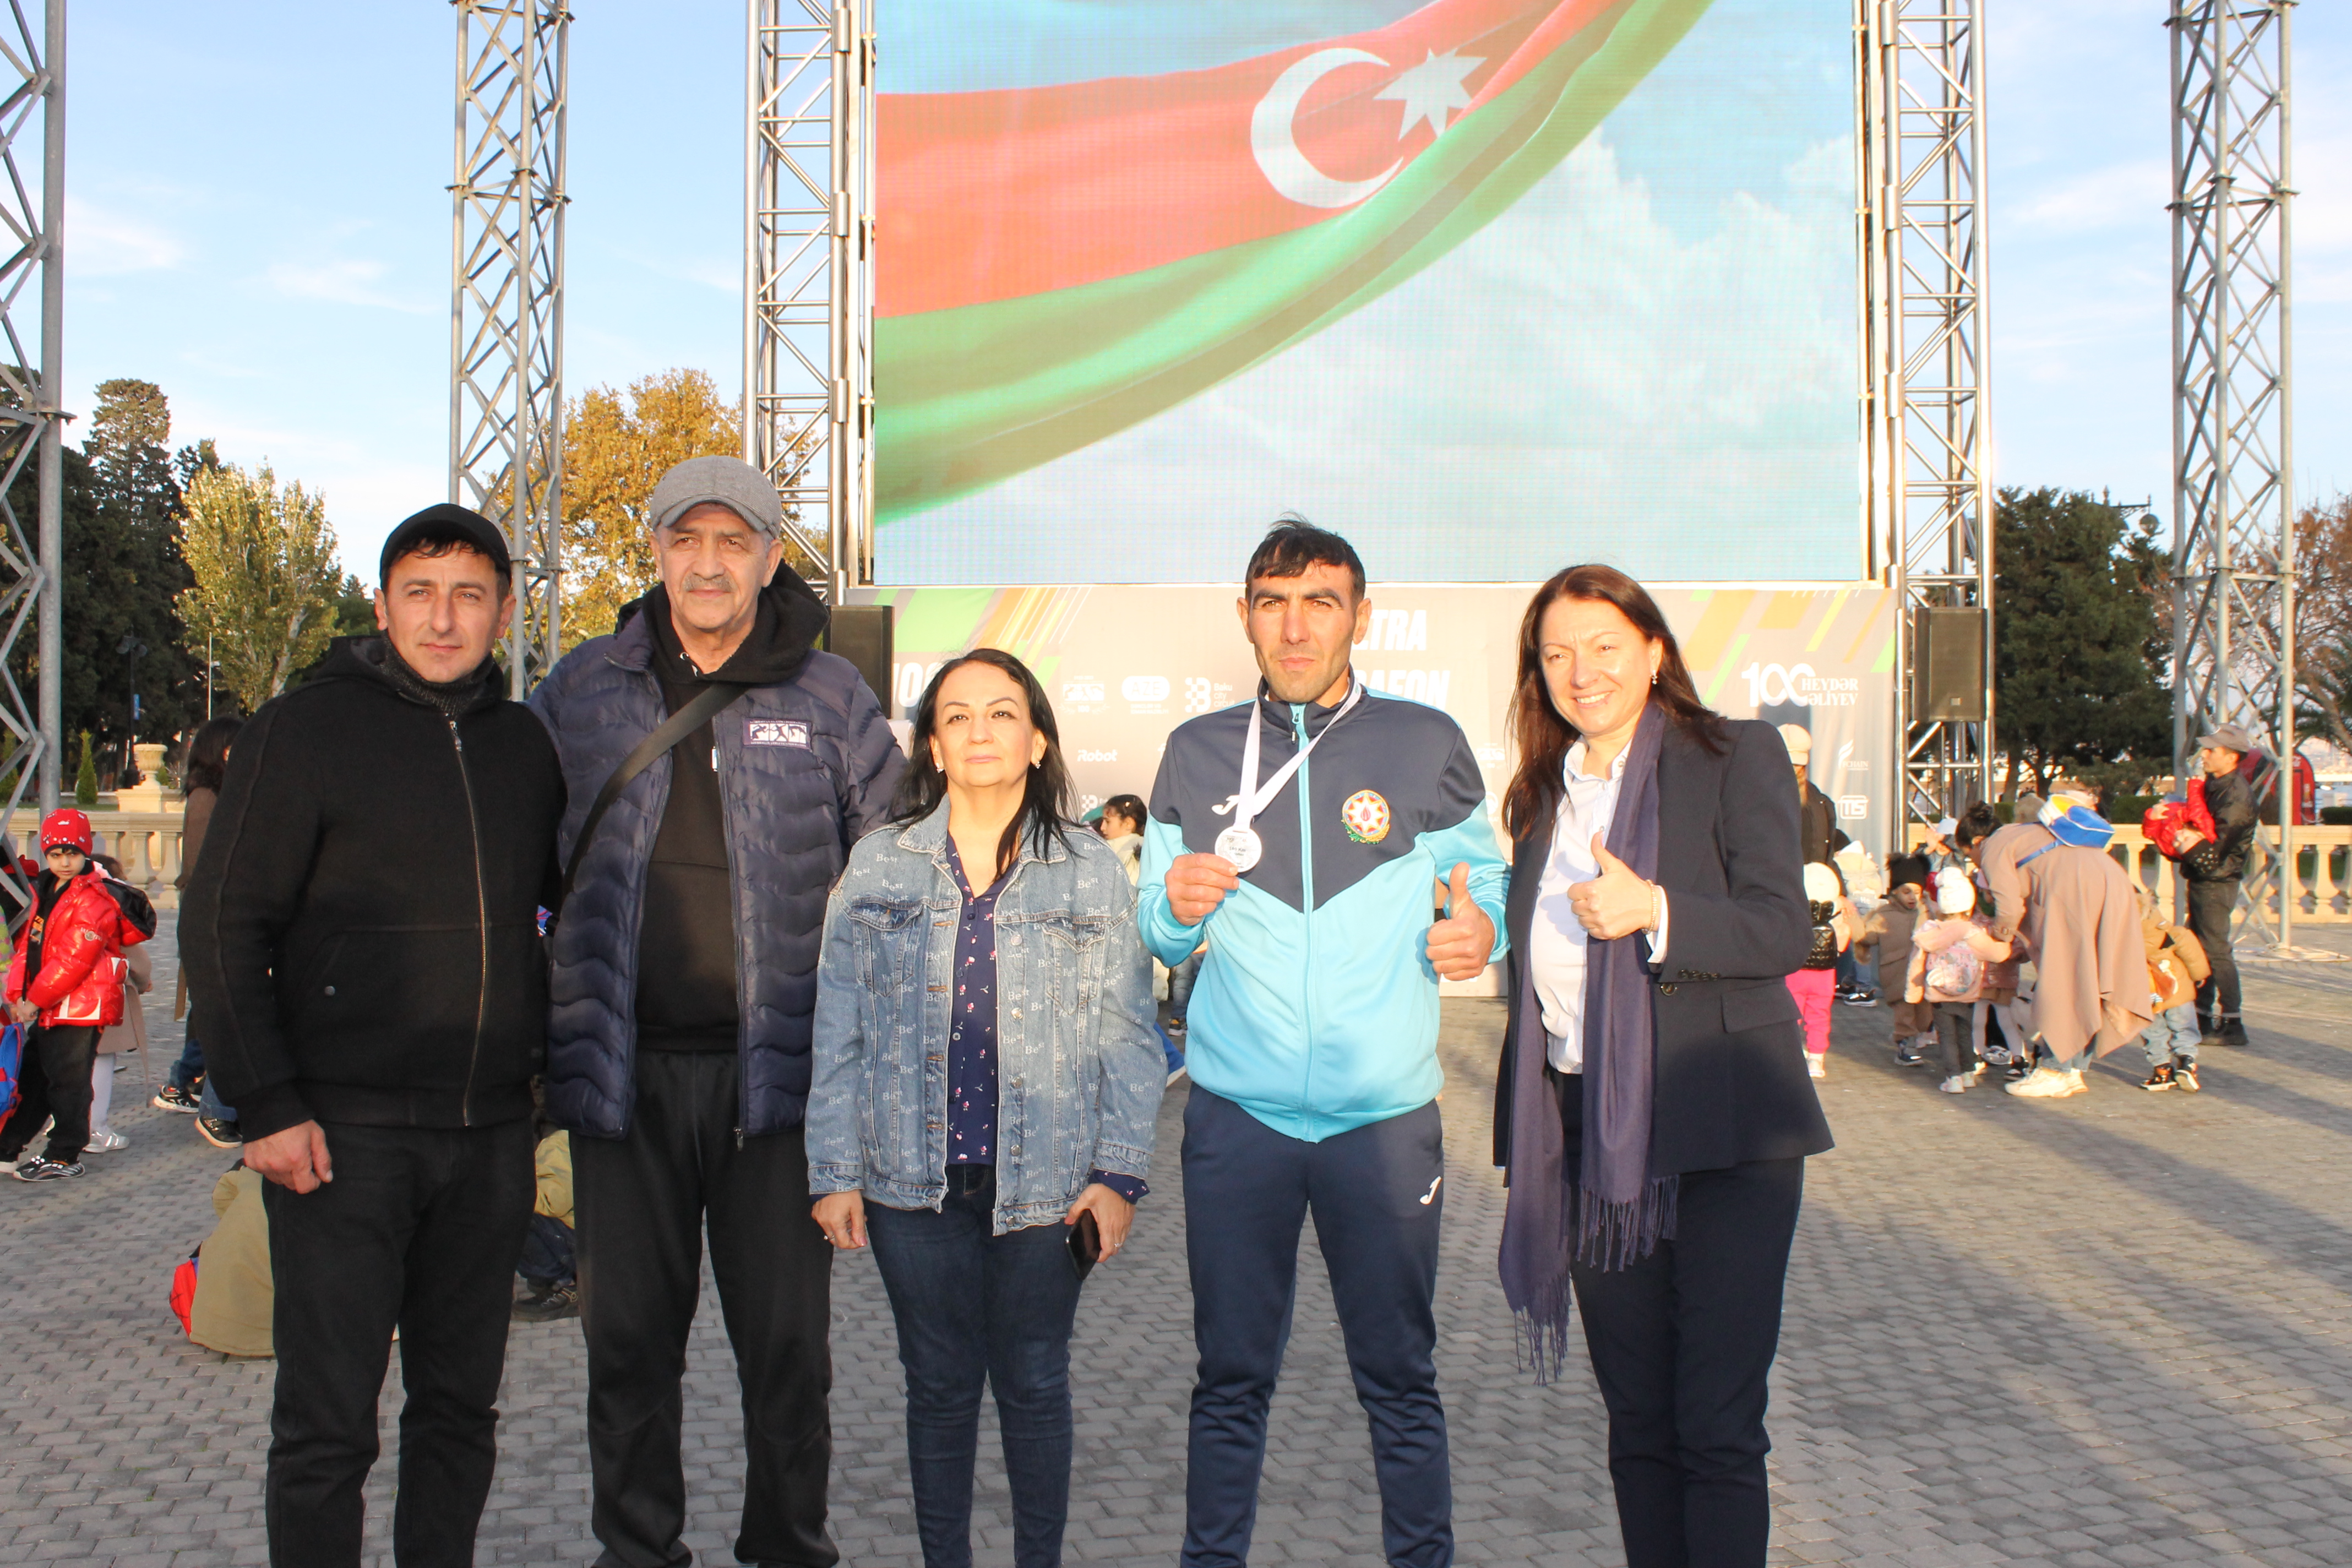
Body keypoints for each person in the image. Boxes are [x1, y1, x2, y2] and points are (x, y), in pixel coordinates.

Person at [531, 454, 902, 1568]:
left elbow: (896, 871)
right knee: (627, 1348)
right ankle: (637, 1549)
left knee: (788, 1353)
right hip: (619, 1079)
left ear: (770, 556)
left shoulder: (832, 694)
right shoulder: (582, 688)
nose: (707, 563)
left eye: (732, 541)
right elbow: (510, 849)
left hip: (778, 1086)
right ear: (653, 550)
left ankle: (787, 1544)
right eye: (685, 539)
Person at [180, 503, 566, 1567]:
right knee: (327, 1423)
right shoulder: (302, 731)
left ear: (503, 611)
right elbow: (222, 922)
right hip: (340, 1139)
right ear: (383, 603)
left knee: (459, 1412)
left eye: (469, 595)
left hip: (488, 1136)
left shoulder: (523, 745)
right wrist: (267, 1102)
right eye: (420, 593)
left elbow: (554, 912)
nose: (444, 619)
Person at [1138, 520, 1506, 1568]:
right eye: (1273, 603)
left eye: (1320, 602)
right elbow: (1157, 927)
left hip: (1382, 1124)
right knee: (1230, 1378)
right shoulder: (1195, 750)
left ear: (1360, 616)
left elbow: (1482, 882)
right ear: (1245, 616)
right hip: (1237, 1120)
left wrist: (1482, 927)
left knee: (1400, 1378)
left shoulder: (1424, 740)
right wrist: (1172, 908)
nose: (1295, 627)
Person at [1492, 565, 1830, 1568]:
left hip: (1723, 1128)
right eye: (1556, 653)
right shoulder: (1542, 795)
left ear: (1653, 651)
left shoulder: (1730, 754)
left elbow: (1782, 927)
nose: (1581, 671)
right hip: (1592, 1136)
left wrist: (1656, 912)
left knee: (1715, 1423)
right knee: (1637, 1420)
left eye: (1604, 645)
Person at [809, 650, 1161, 1568]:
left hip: (1050, 1188)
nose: (979, 731)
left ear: (1038, 739)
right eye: (956, 715)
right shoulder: (879, 862)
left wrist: (1118, 1175)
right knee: (937, 1389)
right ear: (931, 743)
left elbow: (1130, 1033)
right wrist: (833, 1171)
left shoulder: (1087, 868)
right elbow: (839, 1026)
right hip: (908, 1186)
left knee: (1036, 1384)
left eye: (1002, 713)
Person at [1961, 797, 2153, 1100]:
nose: (1974, 862)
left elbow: (2008, 907)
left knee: (2063, 981)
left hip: (2074, 891)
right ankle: (2073, 1069)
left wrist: (2000, 938)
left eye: (1968, 854)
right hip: (2111, 881)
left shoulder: (1995, 845)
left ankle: (2054, 1070)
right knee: (2091, 978)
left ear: (1975, 842)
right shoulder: (2030, 833)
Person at [0, 809, 146, 1181]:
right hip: (53, 1002)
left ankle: (65, 1153)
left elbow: (75, 960)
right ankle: (9, 1145)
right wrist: (17, 994)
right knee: (34, 1074)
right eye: (56, 854)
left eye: (72, 853)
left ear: (85, 852)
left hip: (81, 1005)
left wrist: (33, 999)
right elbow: (29, 946)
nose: (64, 862)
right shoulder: (48, 888)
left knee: (68, 1082)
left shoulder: (94, 896)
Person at [155, 715, 244, 1127]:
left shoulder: (221, 793)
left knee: (210, 1006)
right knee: (219, 1007)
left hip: (212, 912)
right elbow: (204, 866)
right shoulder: (207, 798)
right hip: (211, 915)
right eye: (234, 746)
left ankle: (185, 1081)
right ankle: (200, 1093)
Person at [2172, 723, 2257, 1049]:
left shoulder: (2236, 796)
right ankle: (2202, 1016)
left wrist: (2183, 840)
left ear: (2232, 757)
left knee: (2216, 950)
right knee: (2199, 947)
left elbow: (2217, 847)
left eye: (2211, 750)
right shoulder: (2216, 785)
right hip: (2205, 878)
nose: (2204, 755)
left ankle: (2233, 1023)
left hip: (2218, 881)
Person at [1902, 869, 2013, 1095]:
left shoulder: (1930, 932)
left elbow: (1916, 963)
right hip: (1967, 993)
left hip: (1939, 994)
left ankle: (1953, 1078)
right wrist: (2007, 941)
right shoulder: (1972, 932)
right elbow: (1997, 954)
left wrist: (1913, 993)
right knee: (1965, 1033)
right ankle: (1968, 1073)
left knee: (1947, 1037)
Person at [85, 854, 157, 1153]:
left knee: (67, 1063)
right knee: (101, 1059)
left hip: (62, 997)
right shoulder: (110, 905)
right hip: (103, 994)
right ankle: (94, 1128)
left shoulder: (59, 899)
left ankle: (62, 1122)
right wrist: (142, 981)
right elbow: (136, 959)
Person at [1858, 856, 1932, 1065]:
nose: (1913, 897)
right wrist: (1856, 926)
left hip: (1922, 974)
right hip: (1896, 973)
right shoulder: (1885, 914)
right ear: (1894, 892)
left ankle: (1913, 1035)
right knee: (1904, 1012)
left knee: (1925, 1015)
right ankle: (1905, 1044)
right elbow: (1868, 936)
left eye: (1917, 892)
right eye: (1906, 892)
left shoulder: (1928, 912)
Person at [2138, 889, 2211, 1092]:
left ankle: (2162, 1070)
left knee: (2152, 1030)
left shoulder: (2122, 939)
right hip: (2177, 987)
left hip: (2146, 992)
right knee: (2184, 1026)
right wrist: (2199, 976)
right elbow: (2192, 955)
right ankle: (2187, 1062)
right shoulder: (2169, 931)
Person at [1785, 863, 1846, 1079]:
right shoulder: (1837, 916)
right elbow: (1842, 945)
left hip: (1795, 972)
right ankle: (1816, 1059)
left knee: (1791, 1014)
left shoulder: (1793, 914)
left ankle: (1789, 1053)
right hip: (1825, 975)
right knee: (1819, 1016)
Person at [514, 1128, 579, 1323]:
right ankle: (552, 1277)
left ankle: (564, 1284)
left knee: (514, 1212)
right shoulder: (578, 1139)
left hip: (584, 1244)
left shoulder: (557, 1145)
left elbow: (555, 1202)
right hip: (603, 1243)